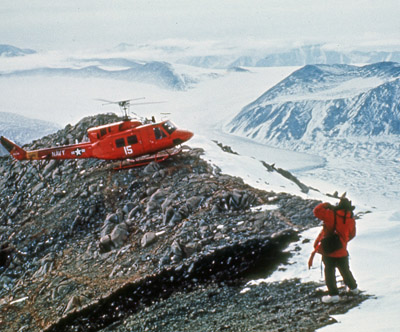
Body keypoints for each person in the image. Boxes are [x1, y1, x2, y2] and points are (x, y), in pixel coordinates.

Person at [308, 197, 359, 303]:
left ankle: (333, 295)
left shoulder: (331, 215)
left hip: (328, 250)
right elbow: (352, 235)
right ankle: (354, 289)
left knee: (329, 271)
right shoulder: (351, 220)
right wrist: (342, 242)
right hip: (342, 250)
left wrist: (326, 204)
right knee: (345, 270)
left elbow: (316, 211)